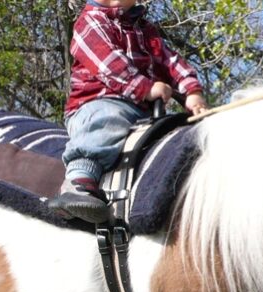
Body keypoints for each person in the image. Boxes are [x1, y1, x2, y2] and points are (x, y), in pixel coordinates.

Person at [50, 0, 209, 222]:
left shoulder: (145, 29)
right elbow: (109, 65)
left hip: (142, 112)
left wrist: (192, 91)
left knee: (175, 134)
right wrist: (146, 88)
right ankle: (79, 180)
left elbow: (170, 62)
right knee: (108, 120)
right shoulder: (90, 22)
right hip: (96, 103)